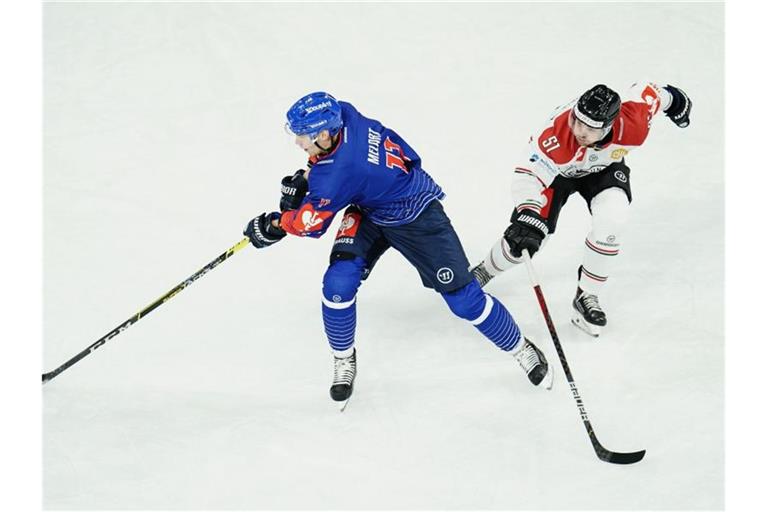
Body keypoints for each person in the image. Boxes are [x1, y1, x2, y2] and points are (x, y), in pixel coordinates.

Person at [243, 92, 553, 407]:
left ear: (324, 133)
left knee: (464, 301)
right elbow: (328, 169)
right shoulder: (345, 113)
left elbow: (311, 223)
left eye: (303, 136)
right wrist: (306, 178)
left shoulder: (339, 172)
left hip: (418, 216)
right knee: (338, 284)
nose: (298, 142)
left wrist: (275, 224)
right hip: (370, 208)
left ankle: (521, 348)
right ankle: (343, 358)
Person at [470, 82, 692, 337]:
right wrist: (529, 212)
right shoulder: (555, 136)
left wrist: (674, 99)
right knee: (525, 240)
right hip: (556, 174)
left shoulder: (634, 125)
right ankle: (484, 271)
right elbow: (527, 175)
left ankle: (587, 295)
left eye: (590, 128)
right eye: (577, 121)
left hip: (603, 168)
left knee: (613, 218)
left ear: (609, 126)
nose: (579, 131)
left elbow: (651, 94)